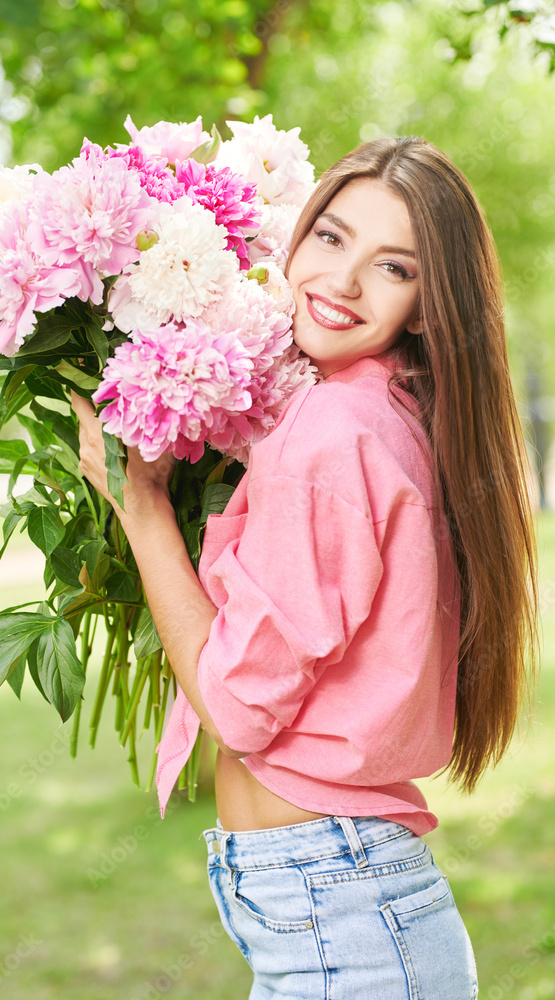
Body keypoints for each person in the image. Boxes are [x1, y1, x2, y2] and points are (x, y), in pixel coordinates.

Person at [72, 136, 540, 999]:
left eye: (393, 266)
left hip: (345, 921)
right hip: (342, 909)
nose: (342, 281)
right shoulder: (382, 414)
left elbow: (241, 710)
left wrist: (141, 512)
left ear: (430, 305)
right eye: (330, 238)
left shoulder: (334, 431)